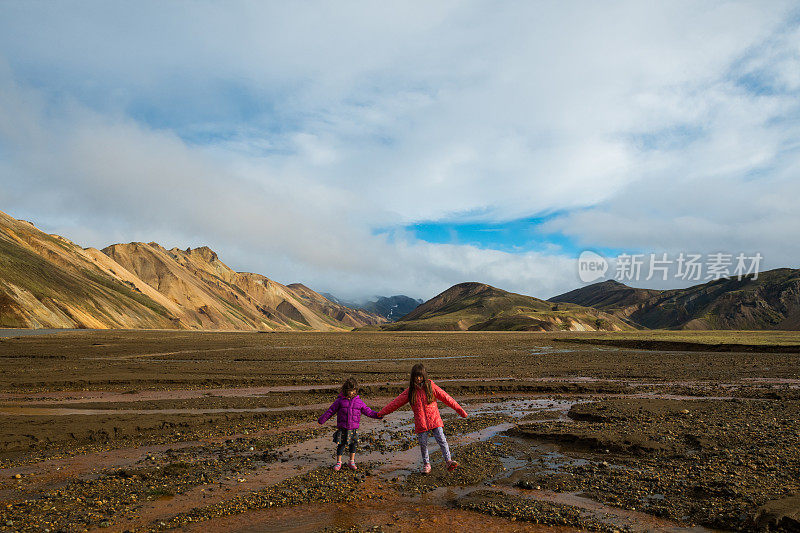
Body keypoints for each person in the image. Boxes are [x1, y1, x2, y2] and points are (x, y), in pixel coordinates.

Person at [378, 363, 467, 474]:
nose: (419, 379)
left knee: (442, 440)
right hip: (421, 423)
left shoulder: (431, 386)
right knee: (423, 444)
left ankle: (448, 461)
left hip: (434, 420)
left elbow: (446, 398)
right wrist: (382, 413)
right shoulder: (411, 391)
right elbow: (396, 403)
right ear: (413, 377)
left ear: (424, 376)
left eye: (420, 376)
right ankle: (426, 464)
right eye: (416, 376)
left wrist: (460, 410)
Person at [318, 377, 381, 471]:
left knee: (353, 444)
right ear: (345, 390)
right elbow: (331, 411)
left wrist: (378, 415)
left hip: (353, 428)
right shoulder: (340, 401)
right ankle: (339, 462)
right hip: (342, 428)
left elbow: (368, 411)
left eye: (354, 390)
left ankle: (351, 461)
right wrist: (322, 419)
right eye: (350, 390)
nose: (352, 393)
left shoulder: (359, 402)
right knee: (341, 445)